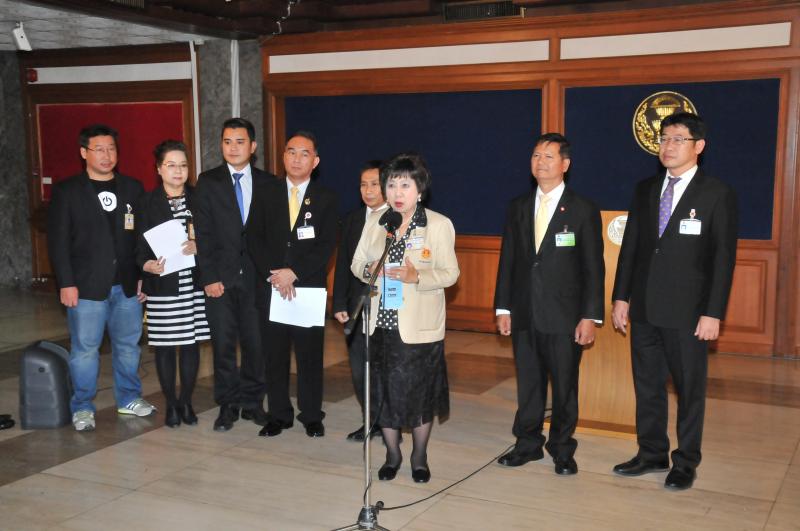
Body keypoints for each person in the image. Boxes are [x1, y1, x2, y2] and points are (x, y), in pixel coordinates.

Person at [611, 112, 738, 491]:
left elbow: (722, 260)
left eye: (678, 139)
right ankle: (651, 452)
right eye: (664, 138)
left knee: (689, 390)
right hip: (645, 308)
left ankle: (686, 462)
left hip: (688, 312)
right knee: (647, 385)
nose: (668, 146)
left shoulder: (717, 193)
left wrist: (713, 312)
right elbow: (631, 248)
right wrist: (621, 297)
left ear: (699, 146)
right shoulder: (645, 189)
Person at [494, 133, 604, 476]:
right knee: (529, 383)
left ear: (565, 164)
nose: (540, 162)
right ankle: (527, 444)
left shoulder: (583, 208)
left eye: (548, 156)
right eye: (536, 155)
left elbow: (593, 267)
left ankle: (562, 448)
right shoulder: (518, 206)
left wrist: (590, 316)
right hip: (524, 311)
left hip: (565, 316)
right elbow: (508, 259)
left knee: (565, 386)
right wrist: (503, 308)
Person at [351, 152, 459, 483]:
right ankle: (392, 454)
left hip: (418, 329)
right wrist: (370, 269)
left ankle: (419, 456)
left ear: (420, 190)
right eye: (392, 185)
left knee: (418, 396)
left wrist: (417, 277)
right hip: (379, 325)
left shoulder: (437, 225)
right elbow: (356, 263)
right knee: (383, 394)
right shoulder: (378, 222)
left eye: (405, 185)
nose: (397, 193)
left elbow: (450, 273)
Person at [48, 123, 155, 432]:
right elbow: (58, 242)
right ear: (84, 153)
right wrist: (66, 283)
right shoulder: (67, 191)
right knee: (85, 350)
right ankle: (82, 406)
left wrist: (142, 276)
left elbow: (141, 237)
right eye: (99, 149)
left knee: (129, 346)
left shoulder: (132, 188)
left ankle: (129, 398)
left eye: (111, 149)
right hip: (85, 286)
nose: (107, 155)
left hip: (126, 285)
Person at [247, 131, 339, 438]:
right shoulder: (266, 192)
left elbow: (326, 245)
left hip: (307, 289)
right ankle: (279, 414)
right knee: (274, 355)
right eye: (291, 152)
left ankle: (311, 414)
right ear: (283, 156)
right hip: (272, 287)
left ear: (316, 161)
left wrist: (294, 272)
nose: (297, 159)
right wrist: (276, 275)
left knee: (309, 356)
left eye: (304, 154)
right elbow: (254, 238)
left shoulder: (326, 198)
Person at [194, 118, 273, 431]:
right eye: (227, 142)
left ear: (252, 147)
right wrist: (209, 277)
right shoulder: (208, 182)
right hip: (220, 279)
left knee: (256, 344)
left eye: (240, 142)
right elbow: (203, 233)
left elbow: (273, 234)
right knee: (223, 344)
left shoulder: (268, 183)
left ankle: (253, 402)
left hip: (257, 279)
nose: (233, 147)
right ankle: (227, 404)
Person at [137, 140, 210, 428]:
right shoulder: (146, 202)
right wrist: (146, 265)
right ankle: (171, 403)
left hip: (194, 284)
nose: (178, 171)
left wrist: (200, 245)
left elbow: (216, 236)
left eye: (183, 165)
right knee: (165, 346)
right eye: (171, 165)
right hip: (163, 284)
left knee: (191, 345)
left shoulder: (200, 199)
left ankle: (186, 401)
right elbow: (136, 245)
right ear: (159, 169)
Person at [332, 160, 388, 441]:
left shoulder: (398, 218)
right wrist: (339, 303)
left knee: (384, 368)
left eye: (374, 184)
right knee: (359, 369)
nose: (368, 190)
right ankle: (371, 420)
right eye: (363, 185)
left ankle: (389, 424)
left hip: (387, 306)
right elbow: (343, 263)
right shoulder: (353, 219)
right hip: (356, 306)